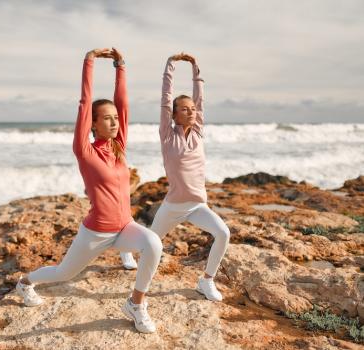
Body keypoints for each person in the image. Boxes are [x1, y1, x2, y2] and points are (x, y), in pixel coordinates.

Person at [16, 48, 163, 333]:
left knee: (154, 244)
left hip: (124, 227)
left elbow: (123, 106)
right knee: (64, 273)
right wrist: (90, 61)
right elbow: (85, 103)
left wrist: (121, 66)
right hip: (96, 233)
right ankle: (25, 282)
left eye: (115, 119)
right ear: (93, 124)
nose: (114, 122)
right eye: (106, 118)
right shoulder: (85, 152)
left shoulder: (118, 146)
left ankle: (135, 304)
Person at [120, 53, 230, 302]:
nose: (191, 112)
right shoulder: (168, 135)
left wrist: (195, 68)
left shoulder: (199, 132)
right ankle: (125, 252)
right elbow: (165, 98)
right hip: (172, 206)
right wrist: (171, 65)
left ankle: (206, 281)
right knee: (149, 243)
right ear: (174, 114)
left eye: (192, 109)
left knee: (223, 233)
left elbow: (200, 100)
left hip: (197, 205)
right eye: (184, 109)